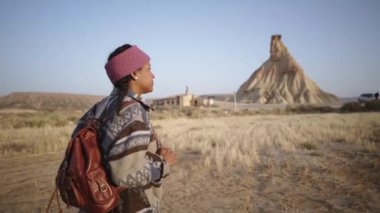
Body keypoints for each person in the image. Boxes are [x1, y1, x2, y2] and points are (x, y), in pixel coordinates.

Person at [74, 44, 176, 212]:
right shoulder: (132, 111)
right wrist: (164, 163)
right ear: (134, 73)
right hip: (128, 205)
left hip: (98, 203)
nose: (153, 74)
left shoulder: (101, 107)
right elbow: (125, 175)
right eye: (148, 69)